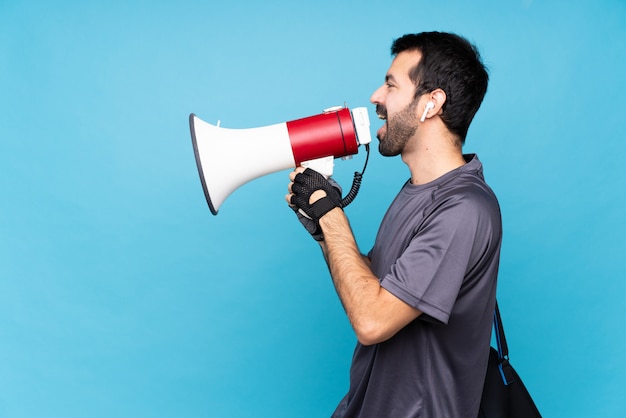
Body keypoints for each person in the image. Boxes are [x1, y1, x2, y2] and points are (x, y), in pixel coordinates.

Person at [286, 32, 502, 418]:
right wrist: (324, 233)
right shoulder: (418, 191)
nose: (375, 97)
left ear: (431, 104)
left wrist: (330, 213)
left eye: (390, 84)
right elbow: (383, 288)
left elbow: (372, 320)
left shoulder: (464, 208)